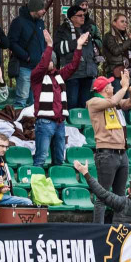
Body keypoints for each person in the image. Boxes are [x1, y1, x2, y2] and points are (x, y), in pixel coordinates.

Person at [86, 70, 131, 223]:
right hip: (106, 153)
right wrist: (123, 88)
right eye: (110, 85)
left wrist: (129, 88)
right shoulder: (94, 102)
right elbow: (111, 102)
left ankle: (118, 230)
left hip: (122, 153)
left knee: (120, 197)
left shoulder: (114, 102)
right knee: (102, 195)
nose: (113, 86)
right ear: (104, 89)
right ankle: (99, 230)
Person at [31, 29, 89, 167]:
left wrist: (79, 46)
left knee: (59, 159)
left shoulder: (60, 75)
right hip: (44, 122)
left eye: (51, 60)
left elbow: (74, 66)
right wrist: (49, 45)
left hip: (60, 123)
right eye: (47, 59)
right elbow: (43, 64)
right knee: (41, 157)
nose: (48, 62)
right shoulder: (37, 76)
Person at [55, 4, 101, 109]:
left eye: (83, 15)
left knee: (84, 104)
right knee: (72, 102)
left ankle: (82, 125)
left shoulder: (88, 30)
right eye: (79, 15)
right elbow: (58, 49)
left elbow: (97, 46)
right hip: (73, 74)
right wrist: (77, 43)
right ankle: (71, 124)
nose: (83, 17)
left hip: (88, 73)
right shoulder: (63, 30)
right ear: (72, 18)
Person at [7, 0, 47, 108]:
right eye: (41, 8)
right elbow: (11, 42)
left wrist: (43, 54)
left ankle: (33, 124)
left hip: (38, 67)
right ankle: (19, 124)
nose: (44, 11)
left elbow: (43, 40)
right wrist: (26, 56)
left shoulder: (40, 23)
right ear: (34, 10)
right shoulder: (18, 22)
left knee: (35, 99)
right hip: (24, 66)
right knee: (22, 99)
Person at [101, 13, 131, 78]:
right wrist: (129, 41)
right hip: (116, 72)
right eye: (122, 21)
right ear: (114, 23)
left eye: (126, 22)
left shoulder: (125, 36)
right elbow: (115, 51)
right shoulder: (109, 36)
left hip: (128, 71)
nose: (125, 24)